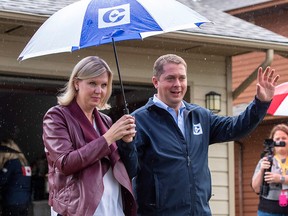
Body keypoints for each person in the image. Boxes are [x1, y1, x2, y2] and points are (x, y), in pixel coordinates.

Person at [118, 53, 279, 215]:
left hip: (199, 211)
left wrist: (260, 103)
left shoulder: (200, 115)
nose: (177, 84)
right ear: (155, 82)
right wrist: (126, 144)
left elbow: (236, 127)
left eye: (182, 78)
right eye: (170, 78)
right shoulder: (138, 120)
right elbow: (129, 170)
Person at [42, 56, 137, 216]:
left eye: (104, 85)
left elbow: (131, 170)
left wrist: (127, 144)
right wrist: (108, 138)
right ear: (76, 83)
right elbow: (65, 163)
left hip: (113, 207)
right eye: (92, 83)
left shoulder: (105, 121)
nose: (99, 91)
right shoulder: (56, 116)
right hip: (78, 209)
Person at [252, 124, 288, 215]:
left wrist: (280, 178)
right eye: (277, 139)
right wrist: (261, 171)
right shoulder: (266, 160)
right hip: (267, 210)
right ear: (272, 142)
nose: (280, 141)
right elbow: (256, 188)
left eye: (284, 138)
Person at [0, 138, 32, 216]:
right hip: (24, 202)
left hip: (12, 202)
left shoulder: (11, 163)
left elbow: (1, 180)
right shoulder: (24, 163)